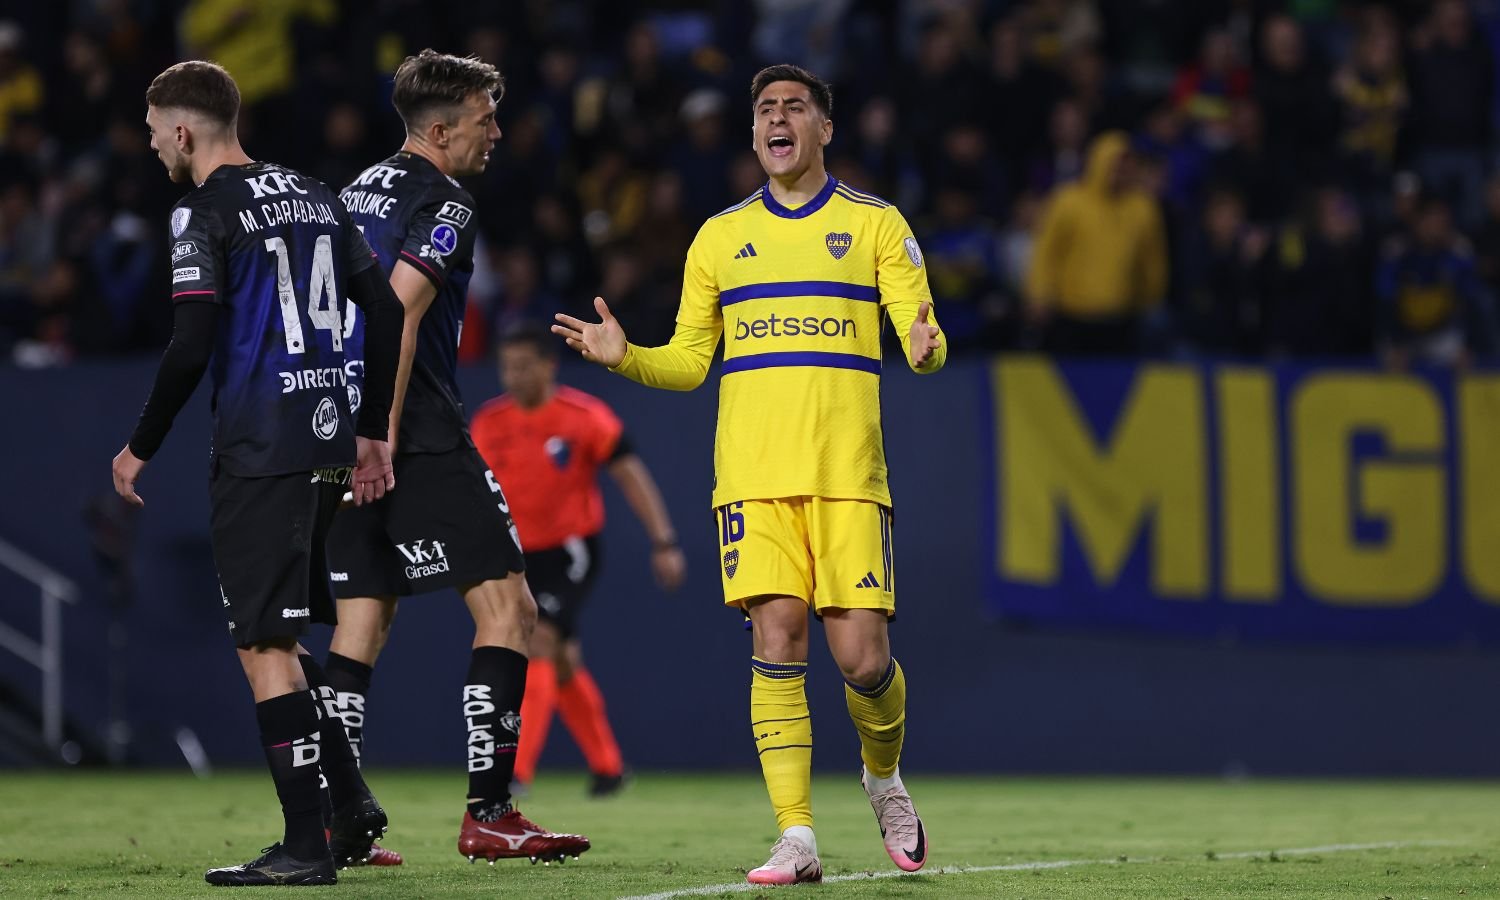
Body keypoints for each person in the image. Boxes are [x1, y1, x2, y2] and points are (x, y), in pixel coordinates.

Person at [554, 63, 943, 886]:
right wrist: (628, 359)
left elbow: (921, 325)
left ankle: (882, 777)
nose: (777, 118)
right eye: (765, 108)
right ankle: (796, 837)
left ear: (824, 129)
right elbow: (692, 362)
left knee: (864, 660)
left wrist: (924, 345)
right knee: (777, 639)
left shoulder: (876, 224)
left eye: (794, 107)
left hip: (846, 476)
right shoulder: (719, 238)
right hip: (753, 477)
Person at [109, 60, 404, 886]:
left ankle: (306, 846)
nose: (149, 143)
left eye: (152, 128)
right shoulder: (315, 192)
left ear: (182, 130)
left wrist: (141, 444)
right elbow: (379, 310)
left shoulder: (199, 211)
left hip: (261, 445)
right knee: (285, 636)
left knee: (264, 645)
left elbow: (191, 342)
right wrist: (371, 428)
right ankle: (347, 804)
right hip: (324, 437)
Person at [319, 49, 590, 865]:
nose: (497, 133)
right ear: (440, 130)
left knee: (360, 621)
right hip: (411, 429)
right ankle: (491, 812)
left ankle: (335, 818)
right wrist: (384, 435)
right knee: (512, 611)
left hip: (326, 427)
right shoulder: (445, 200)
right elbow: (398, 313)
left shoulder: (349, 193)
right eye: (484, 119)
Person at [470, 322, 686, 797]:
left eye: (524, 366)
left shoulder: (583, 416)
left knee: (540, 641)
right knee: (563, 659)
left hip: (570, 551)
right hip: (515, 554)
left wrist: (664, 541)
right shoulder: (488, 423)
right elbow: (472, 494)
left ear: (549, 365)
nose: (513, 376)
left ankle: (513, 773)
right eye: (507, 366)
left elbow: (630, 473)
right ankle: (609, 768)